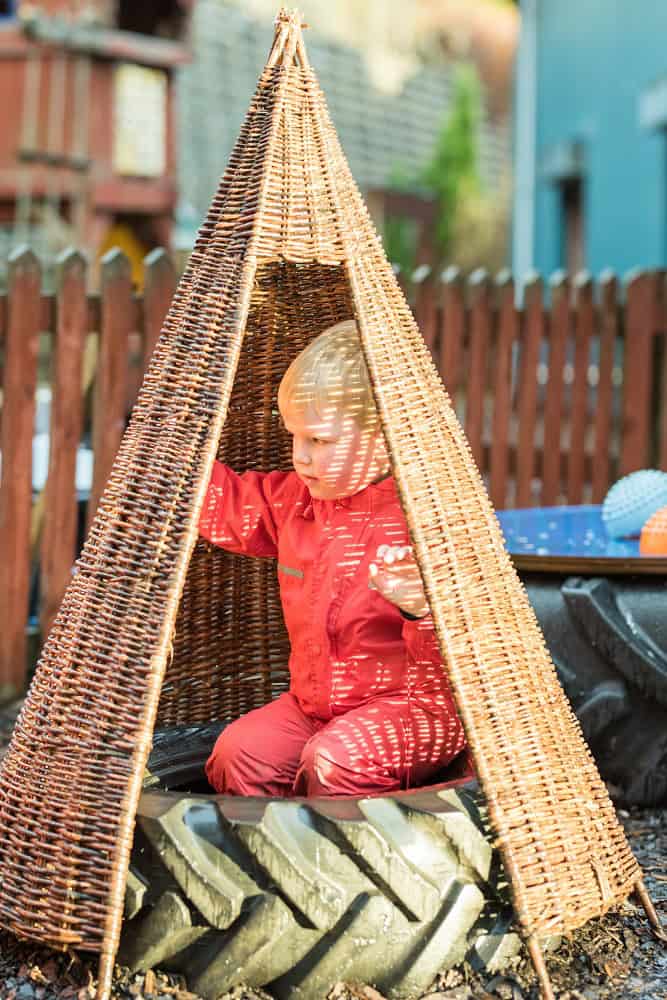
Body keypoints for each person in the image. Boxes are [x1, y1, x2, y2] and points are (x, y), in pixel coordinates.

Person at [198, 320, 467, 796]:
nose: (300, 456)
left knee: (333, 760)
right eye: (294, 437)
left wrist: (420, 610)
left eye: (319, 441)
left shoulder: (428, 519)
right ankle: (270, 863)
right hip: (317, 707)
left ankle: (343, 865)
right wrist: (177, 452)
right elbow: (230, 506)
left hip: (416, 711)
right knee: (240, 753)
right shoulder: (295, 501)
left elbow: (475, 648)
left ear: (385, 436)